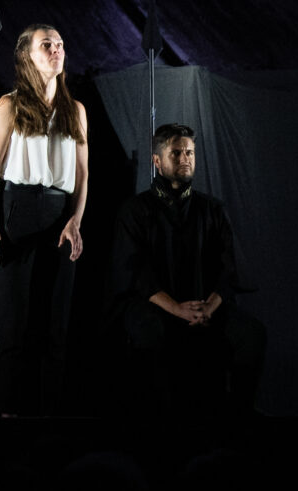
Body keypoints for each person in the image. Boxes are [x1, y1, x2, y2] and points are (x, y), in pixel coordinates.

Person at [110, 123, 266, 421]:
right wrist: (177, 309)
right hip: (156, 307)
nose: (185, 158)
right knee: (148, 332)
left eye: (190, 152)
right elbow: (134, 273)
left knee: (251, 334)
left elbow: (228, 268)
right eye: (177, 152)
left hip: (204, 305)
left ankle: (238, 422)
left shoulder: (212, 210)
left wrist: (209, 306)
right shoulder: (134, 211)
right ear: (157, 160)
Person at [0, 24, 89, 415]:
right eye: (48, 44)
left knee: (54, 325)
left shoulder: (74, 110)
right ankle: (9, 414)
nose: (57, 49)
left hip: (60, 213)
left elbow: (83, 173)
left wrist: (75, 220)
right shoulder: (9, 105)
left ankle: (51, 415)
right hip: (18, 210)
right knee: (13, 326)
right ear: (28, 54)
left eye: (61, 43)